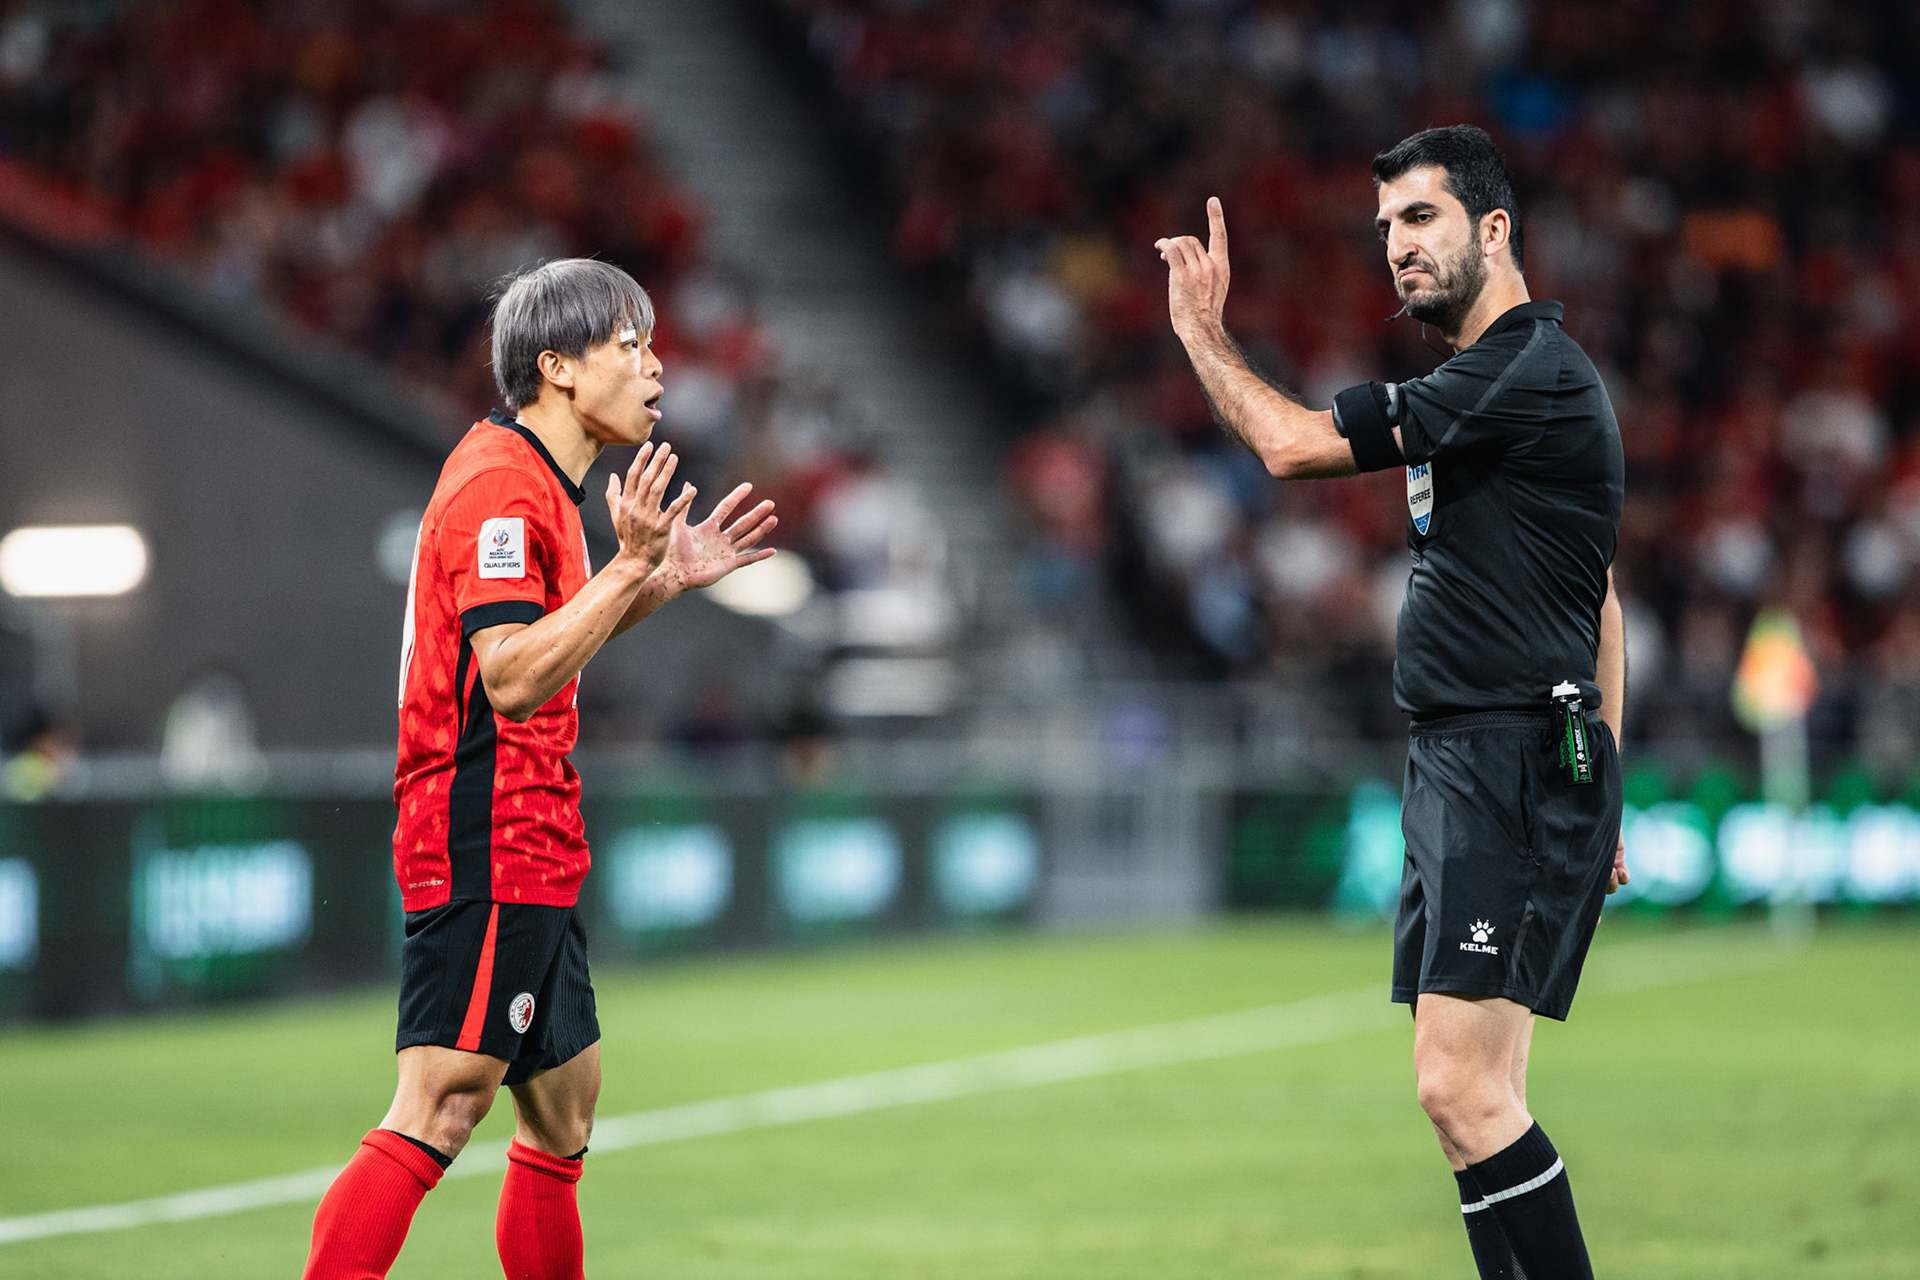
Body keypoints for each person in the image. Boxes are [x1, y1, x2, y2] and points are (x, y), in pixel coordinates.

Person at [1156, 125, 1627, 1280]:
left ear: (1493, 228)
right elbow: (1599, 596)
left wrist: (1200, 335)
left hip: (1509, 757)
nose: (1397, 249)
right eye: (1384, 231)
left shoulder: (1524, 366)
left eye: (1419, 219)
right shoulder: (1490, 392)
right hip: (1472, 758)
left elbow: (1287, 446)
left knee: (1459, 1088)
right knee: (1467, 1098)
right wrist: (1606, 770)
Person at [301, 257, 777, 1280]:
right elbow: (511, 679)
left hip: (536, 833)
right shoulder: (501, 490)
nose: (656, 368)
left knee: (563, 1115)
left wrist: (655, 578)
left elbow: (550, 639)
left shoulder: (542, 484)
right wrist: (623, 568)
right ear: (557, 366)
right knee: (442, 1099)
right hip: (482, 829)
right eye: (630, 344)